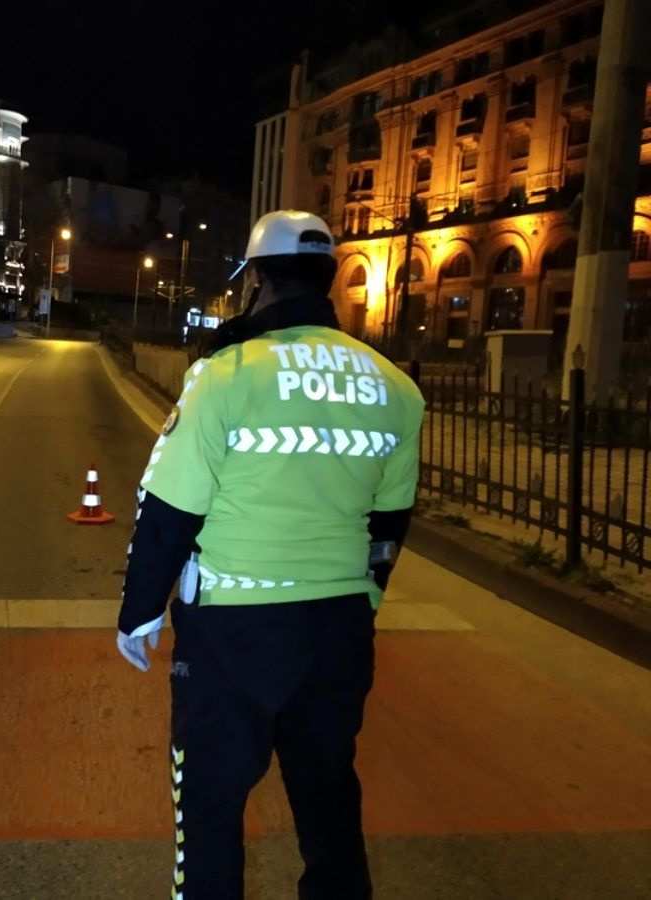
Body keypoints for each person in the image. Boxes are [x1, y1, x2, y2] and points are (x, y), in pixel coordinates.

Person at [116, 210, 425, 899]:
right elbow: (390, 525)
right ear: (328, 279)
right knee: (328, 804)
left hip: (235, 631)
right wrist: (363, 602)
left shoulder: (226, 375)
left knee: (212, 809)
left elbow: (167, 511)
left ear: (257, 280)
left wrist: (139, 612)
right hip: (337, 630)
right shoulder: (395, 388)